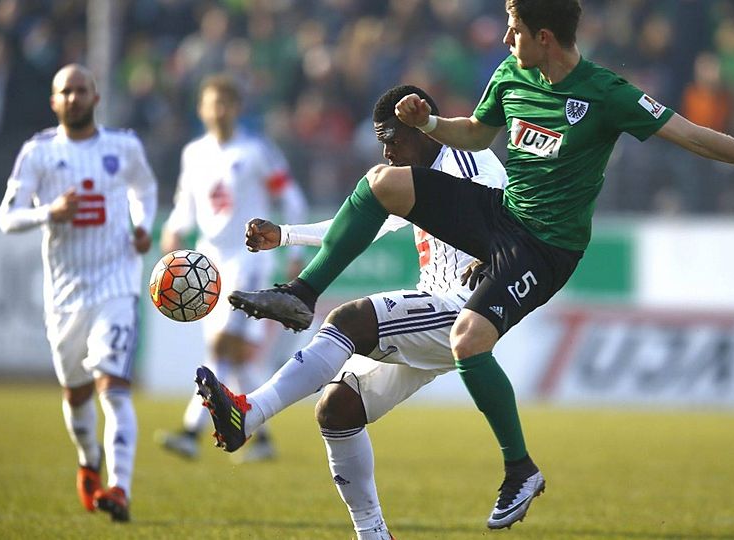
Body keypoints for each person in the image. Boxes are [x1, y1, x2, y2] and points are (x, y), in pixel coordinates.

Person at [218, 0, 734, 529]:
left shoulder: (605, 93)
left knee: (468, 337)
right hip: (501, 216)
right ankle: (303, 291)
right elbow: (476, 132)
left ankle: (520, 467)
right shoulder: (509, 78)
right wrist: (434, 122)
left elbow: (690, 135)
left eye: (515, 28)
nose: (505, 36)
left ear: (544, 37)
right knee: (385, 182)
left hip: (545, 249)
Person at [195, 84, 510, 537]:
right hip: (436, 310)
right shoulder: (417, 175)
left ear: (423, 131)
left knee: (348, 320)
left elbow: (511, 214)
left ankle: (251, 413)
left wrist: (496, 255)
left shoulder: (468, 161)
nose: (385, 150)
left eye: (391, 139)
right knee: (338, 409)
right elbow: (354, 221)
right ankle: (373, 534)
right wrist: (284, 235)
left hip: (463, 311)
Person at [0, 64, 158, 522]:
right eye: (64, 92)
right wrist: (50, 212)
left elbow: (143, 188)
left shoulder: (123, 145)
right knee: (76, 395)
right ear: (54, 101)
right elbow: (8, 217)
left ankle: (121, 488)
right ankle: (90, 461)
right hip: (65, 293)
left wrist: (143, 225)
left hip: (116, 282)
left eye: (80, 90)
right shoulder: (38, 152)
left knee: (114, 389)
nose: (73, 98)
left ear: (96, 97)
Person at [155, 74, 308, 463]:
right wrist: (173, 231)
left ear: (237, 108)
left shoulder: (256, 151)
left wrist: (294, 245)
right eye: (212, 102)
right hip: (206, 264)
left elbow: (290, 198)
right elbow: (184, 206)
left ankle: (191, 432)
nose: (219, 109)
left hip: (248, 261)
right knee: (236, 357)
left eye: (226, 102)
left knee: (223, 348)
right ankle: (264, 438)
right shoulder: (194, 154)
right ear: (201, 109)